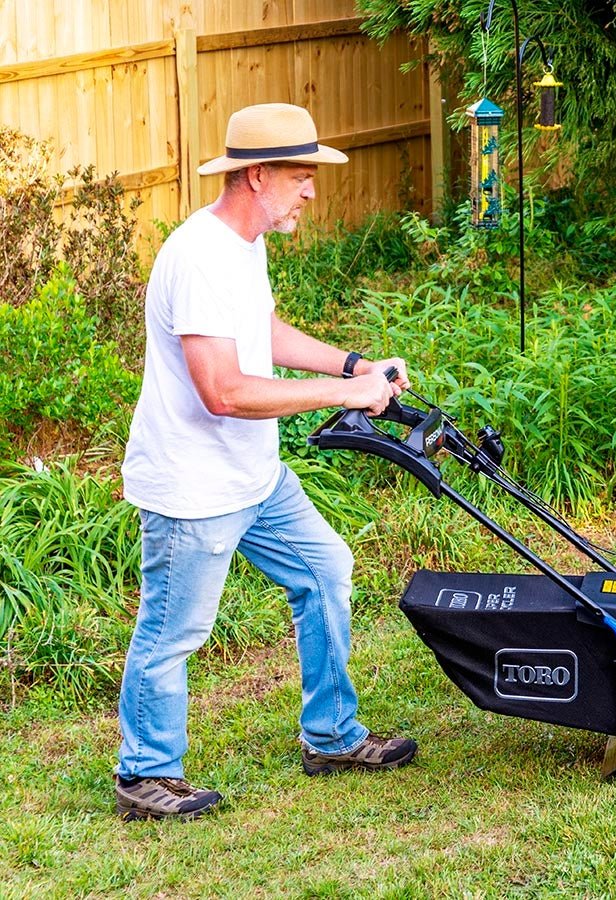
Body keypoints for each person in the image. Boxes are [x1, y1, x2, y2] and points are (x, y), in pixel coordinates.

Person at [115, 103, 416, 821]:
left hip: (255, 476)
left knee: (326, 571)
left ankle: (332, 737)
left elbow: (262, 330)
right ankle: (144, 773)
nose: (310, 190)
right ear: (257, 176)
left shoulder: (243, 246)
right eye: (298, 175)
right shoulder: (196, 256)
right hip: (195, 486)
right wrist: (344, 393)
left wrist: (353, 362)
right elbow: (222, 390)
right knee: (174, 629)